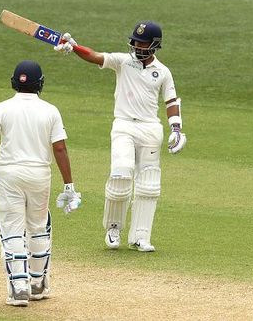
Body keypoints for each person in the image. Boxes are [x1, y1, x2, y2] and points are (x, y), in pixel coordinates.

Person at [54, 21, 186, 252]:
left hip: (150, 129)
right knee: (120, 176)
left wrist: (176, 129)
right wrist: (74, 48)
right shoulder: (123, 62)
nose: (136, 45)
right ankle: (113, 229)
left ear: (154, 45)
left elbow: (171, 101)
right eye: (135, 41)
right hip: (123, 126)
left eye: (142, 42)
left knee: (149, 185)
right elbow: (95, 56)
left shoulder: (163, 72)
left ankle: (141, 237)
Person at [0, 60, 81, 307]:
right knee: (38, 226)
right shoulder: (50, 110)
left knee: (12, 228)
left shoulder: (1, 108)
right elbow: (60, 148)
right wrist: (69, 186)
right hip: (39, 175)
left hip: (8, 175)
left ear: (14, 82)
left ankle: (19, 287)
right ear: (41, 84)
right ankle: (37, 283)